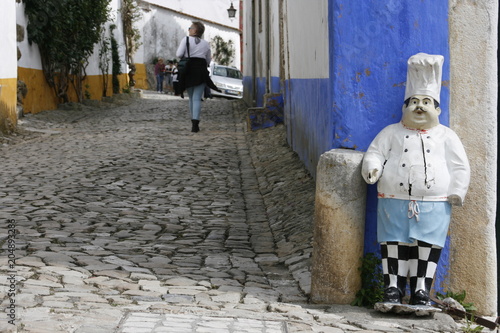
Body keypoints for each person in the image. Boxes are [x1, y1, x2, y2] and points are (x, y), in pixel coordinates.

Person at [361, 53, 470, 307]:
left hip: (434, 203)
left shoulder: (446, 136)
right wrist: (372, 168)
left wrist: (457, 190)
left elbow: (460, 166)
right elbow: (375, 153)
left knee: (427, 247)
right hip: (393, 200)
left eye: (426, 102)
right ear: (404, 108)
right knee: (393, 245)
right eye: (414, 102)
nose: (419, 107)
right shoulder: (391, 132)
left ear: (437, 109)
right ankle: (392, 288)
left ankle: (421, 289)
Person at [176, 21, 220, 132]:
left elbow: (179, 54)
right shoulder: (205, 43)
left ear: (195, 30)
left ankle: (193, 121)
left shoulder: (185, 40)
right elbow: (208, 60)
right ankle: (195, 124)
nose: (189, 29)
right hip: (201, 70)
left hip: (189, 70)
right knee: (197, 98)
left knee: (191, 98)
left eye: (190, 28)